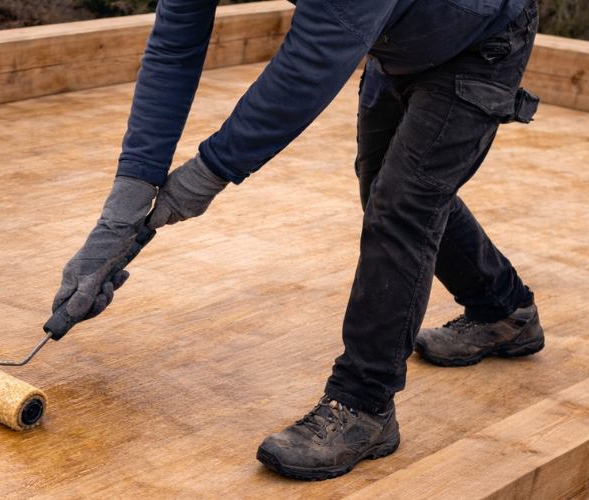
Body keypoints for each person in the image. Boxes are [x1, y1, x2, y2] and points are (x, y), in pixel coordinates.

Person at [52, 0, 545, 481]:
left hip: (482, 39)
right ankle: (501, 308)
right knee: (385, 188)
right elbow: (174, 50)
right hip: (398, 36)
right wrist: (120, 212)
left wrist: (202, 177)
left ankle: (364, 405)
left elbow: (310, 61)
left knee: (404, 205)